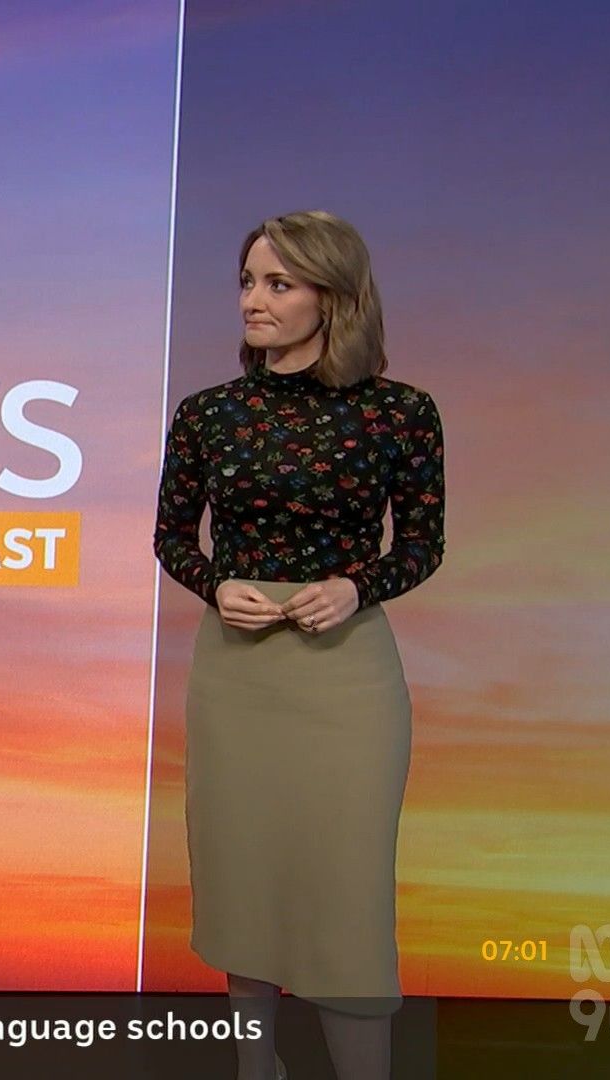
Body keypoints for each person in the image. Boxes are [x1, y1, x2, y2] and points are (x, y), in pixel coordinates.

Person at [153, 211, 444, 1080]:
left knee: (345, 892)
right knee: (244, 878)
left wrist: (358, 586)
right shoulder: (209, 414)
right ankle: (258, 1069)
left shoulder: (400, 414)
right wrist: (215, 584)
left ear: (334, 297)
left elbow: (421, 545)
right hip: (238, 675)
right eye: (248, 281)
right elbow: (171, 537)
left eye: (278, 283)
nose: (254, 299)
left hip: (345, 675)